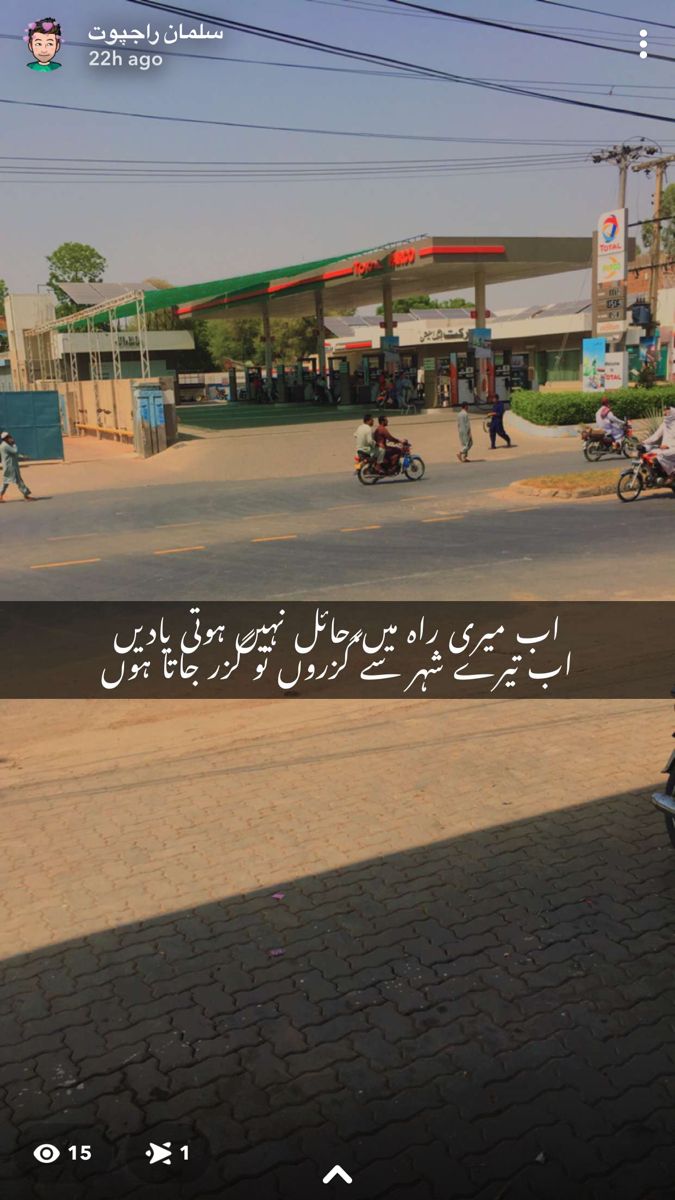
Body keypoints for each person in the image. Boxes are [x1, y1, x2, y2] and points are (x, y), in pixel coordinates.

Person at [643, 404, 675, 482]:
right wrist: (644, 442)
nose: (664, 412)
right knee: (651, 454)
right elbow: (655, 436)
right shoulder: (664, 424)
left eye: (667, 410)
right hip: (665, 448)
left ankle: (672, 473)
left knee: (661, 455)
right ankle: (657, 475)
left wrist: (669, 445)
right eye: (664, 410)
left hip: (673, 448)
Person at [0, 432, 34, 501]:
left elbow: (13, 455)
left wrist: (22, 457)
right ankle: (26, 495)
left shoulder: (5, 445)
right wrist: (14, 444)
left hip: (10, 466)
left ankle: (0, 495)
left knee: (7, 482)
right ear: (5, 438)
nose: (10, 437)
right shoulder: (5, 446)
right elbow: (15, 451)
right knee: (18, 481)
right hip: (10, 467)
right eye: (8, 436)